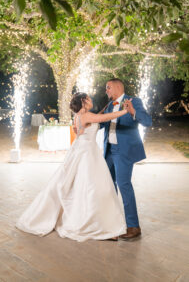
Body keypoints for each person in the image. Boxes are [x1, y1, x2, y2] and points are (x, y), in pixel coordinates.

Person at [16, 93, 129, 242]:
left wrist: (102, 111)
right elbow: (104, 118)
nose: (91, 100)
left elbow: (91, 121)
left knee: (81, 185)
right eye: (88, 99)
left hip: (82, 149)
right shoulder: (87, 116)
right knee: (94, 187)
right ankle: (95, 224)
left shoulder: (79, 115)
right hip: (87, 153)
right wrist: (125, 110)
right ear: (83, 101)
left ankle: (95, 220)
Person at [101, 78, 152, 240]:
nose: (106, 91)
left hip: (123, 152)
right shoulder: (110, 105)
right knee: (108, 186)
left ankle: (133, 226)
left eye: (108, 87)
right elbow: (101, 123)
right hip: (109, 151)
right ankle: (113, 224)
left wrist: (132, 112)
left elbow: (147, 122)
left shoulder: (134, 101)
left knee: (124, 185)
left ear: (117, 87)